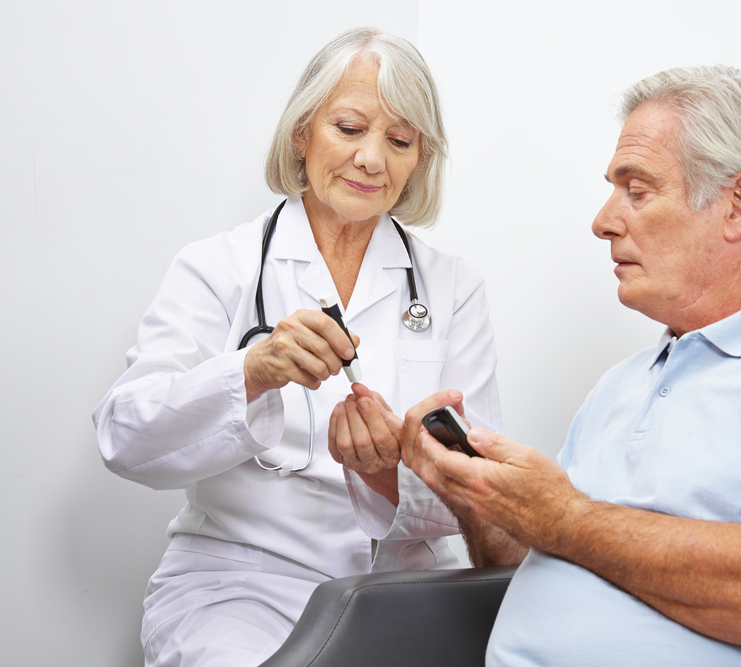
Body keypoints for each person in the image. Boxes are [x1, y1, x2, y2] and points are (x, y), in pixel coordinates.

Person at [390, 65, 741, 666]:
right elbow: (551, 561)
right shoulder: (623, 383)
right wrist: (481, 501)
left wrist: (566, 516)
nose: (603, 221)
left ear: (739, 206)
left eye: (637, 190)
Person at [92, 27, 502, 666]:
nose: (372, 159)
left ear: (419, 159)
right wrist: (249, 373)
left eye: (399, 141)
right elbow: (125, 439)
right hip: (240, 587)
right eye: (349, 128)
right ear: (301, 133)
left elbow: (481, 495)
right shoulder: (218, 268)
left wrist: (383, 473)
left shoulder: (453, 288)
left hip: (404, 588)